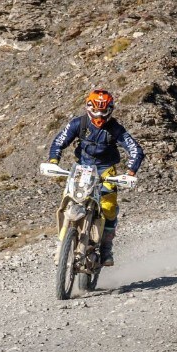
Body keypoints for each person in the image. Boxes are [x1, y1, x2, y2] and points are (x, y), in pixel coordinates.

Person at [46, 88, 144, 266]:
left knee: (109, 207)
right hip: (81, 168)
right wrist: (53, 161)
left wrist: (130, 171)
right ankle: (62, 242)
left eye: (103, 111)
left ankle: (106, 249)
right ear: (88, 107)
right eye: (96, 110)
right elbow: (59, 140)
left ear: (110, 110)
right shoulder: (79, 123)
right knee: (68, 200)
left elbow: (135, 149)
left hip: (105, 170)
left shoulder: (115, 129)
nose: (99, 115)